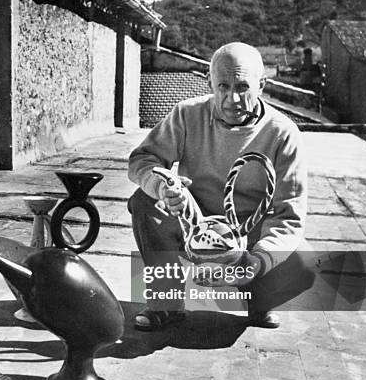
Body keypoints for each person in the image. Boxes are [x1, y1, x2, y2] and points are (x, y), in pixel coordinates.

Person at [128, 42, 309, 331]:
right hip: (195, 230)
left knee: (300, 258)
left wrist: (258, 261)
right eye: (223, 86)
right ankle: (167, 304)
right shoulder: (187, 115)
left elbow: (288, 215)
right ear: (209, 82)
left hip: (249, 241)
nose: (232, 98)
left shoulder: (283, 133)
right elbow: (142, 159)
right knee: (143, 202)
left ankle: (259, 301)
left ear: (262, 85)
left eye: (243, 87)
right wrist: (163, 187)